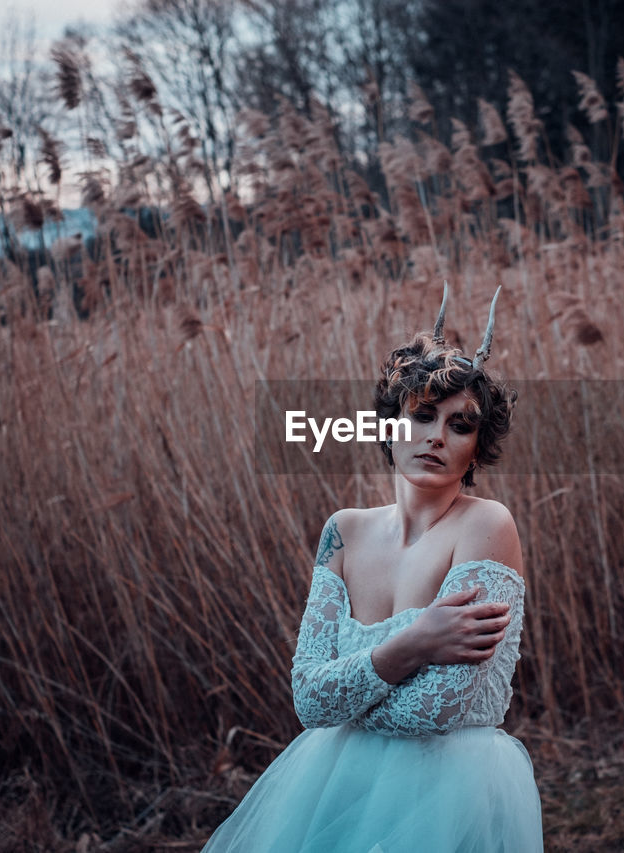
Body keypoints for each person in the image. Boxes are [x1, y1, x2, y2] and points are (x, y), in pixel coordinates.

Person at [201, 285, 542, 852]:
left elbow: (440, 707)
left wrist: (351, 698)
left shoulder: (486, 525)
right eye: (422, 415)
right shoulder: (345, 531)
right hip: (334, 785)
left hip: (447, 793)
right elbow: (309, 700)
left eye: (460, 425)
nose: (435, 436)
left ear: (478, 449)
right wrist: (415, 643)